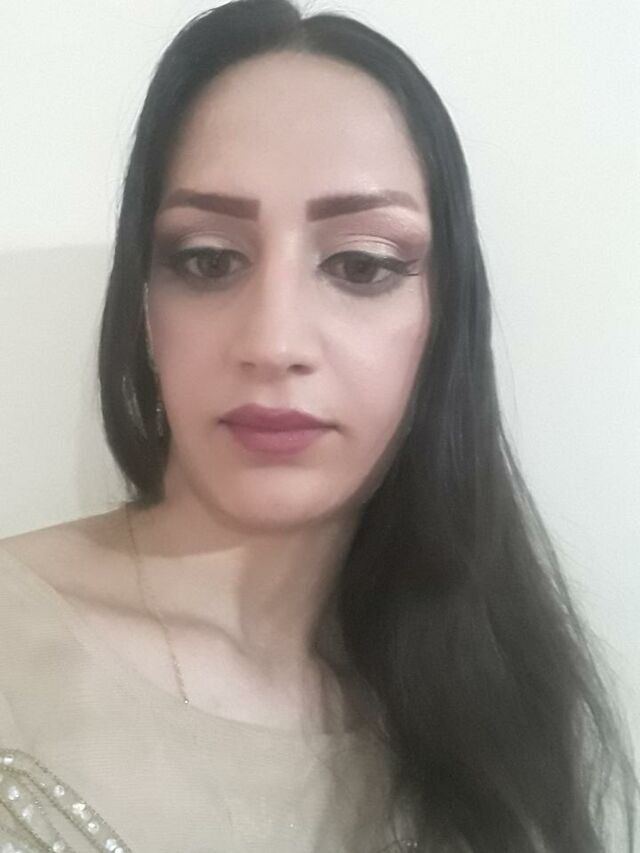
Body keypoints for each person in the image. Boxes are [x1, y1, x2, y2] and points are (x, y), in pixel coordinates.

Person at [0, 0, 636, 851]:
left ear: (443, 318)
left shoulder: (500, 698)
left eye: (361, 265)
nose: (274, 343)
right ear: (144, 300)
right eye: (207, 260)